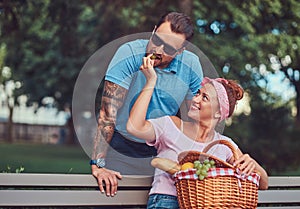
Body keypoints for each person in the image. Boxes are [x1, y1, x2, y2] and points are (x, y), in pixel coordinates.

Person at [126, 62, 269, 208]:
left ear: (219, 112)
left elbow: (263, 183)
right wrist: (151, 82)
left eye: (204, 97)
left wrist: (252, 163)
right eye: (197, 93)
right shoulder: (171, 125)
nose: (195, 99)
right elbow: (134, 127)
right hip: (167, 202)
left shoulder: (225, 145)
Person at [91, 12, 204, 197]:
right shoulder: (128, 53)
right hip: (122, 147)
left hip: (164, 150)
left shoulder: (191, 65)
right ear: (153, 32)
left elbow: (199, 118)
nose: (157, 50)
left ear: (180, 51)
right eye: (157, 40)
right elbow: (107, 113)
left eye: (168, 48)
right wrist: (98, 165)